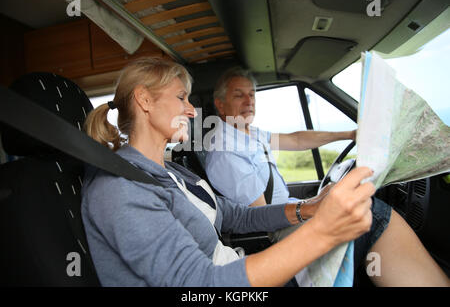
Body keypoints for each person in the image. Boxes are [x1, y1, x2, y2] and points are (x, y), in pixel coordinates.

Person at [81, 57, 377, 287]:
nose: (192, 110)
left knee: (371, 218)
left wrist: (308, 209)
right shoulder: (120, 187)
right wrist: (323, 232)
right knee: (376, 221)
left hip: (234, 269)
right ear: (144, 100)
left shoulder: (173, 173)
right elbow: (199, 285)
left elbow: (239, 216)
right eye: (181, 97)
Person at [204, 66, 450, 286]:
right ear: (220, 104)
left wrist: (349, 134)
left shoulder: (248, 134)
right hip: (276, 234)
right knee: (369, 212)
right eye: (239, 95)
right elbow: (261, 218)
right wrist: (313, 206)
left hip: (290, 213)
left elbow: (297, 139)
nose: (249, 101)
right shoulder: (225, 152)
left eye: (252, 94)